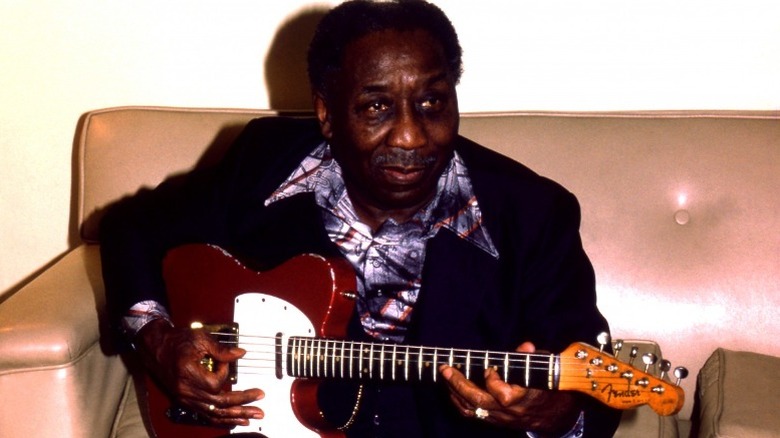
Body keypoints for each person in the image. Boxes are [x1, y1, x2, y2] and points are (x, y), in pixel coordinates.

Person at [100, 0, 621, 436]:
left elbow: (590, 390)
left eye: (432, 102)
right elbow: (130, 228)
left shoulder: (533, 213)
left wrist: (554, 414)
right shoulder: (263, 162)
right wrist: (159, 340)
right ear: (326, 112)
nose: (411, 136)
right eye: (376, 107)